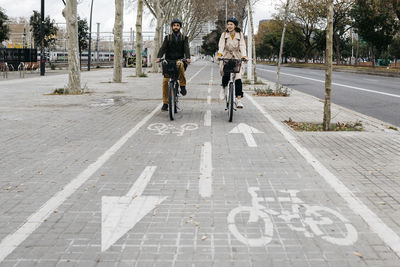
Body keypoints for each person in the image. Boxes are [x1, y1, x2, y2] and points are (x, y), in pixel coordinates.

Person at [157, 18, 191, 111]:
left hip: (179, 60)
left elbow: (186, 49)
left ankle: (182, 86)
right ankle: (165, 103)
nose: (176, 27)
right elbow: (163, 48)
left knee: (180, 64)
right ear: (172, 27)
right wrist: (159, 57)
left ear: (180, 27)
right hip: (168, 61)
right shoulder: (167, 38)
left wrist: (188, 57)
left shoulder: (184, 38)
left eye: (177, 25)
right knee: (165, 81)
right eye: (174, 25)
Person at [216, 17, 247, 109]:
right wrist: (219, 54)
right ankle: (223, 88)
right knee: (226, 74)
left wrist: (244, 56)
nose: (229, 26)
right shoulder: (224, 34)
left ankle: (239, 100)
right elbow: (221, 45)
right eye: (228, 24)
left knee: (238, 78)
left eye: (231, 24)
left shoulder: (240, 35)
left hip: (237, 57)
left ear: (235, 25)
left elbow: (242, 46)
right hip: (226, 56)